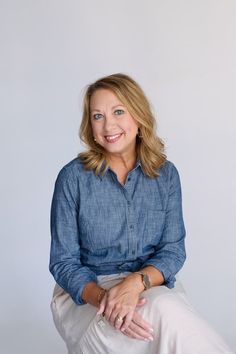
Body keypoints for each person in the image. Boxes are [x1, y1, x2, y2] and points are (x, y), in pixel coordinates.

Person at [49, 73, 233, 354]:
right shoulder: (72, 178)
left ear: (139, 117)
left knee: (165, 311)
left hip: (149, 283)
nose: (108, 125)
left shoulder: (166, 175)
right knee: (167, 317)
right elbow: (63, 263)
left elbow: (172, 250)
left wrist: (136, 283)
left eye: (118, 111)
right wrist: (107, 299)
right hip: (88, 294)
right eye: (97, 116)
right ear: (90, 125)